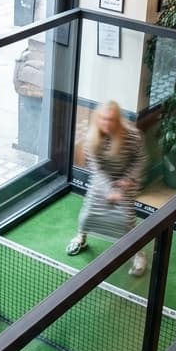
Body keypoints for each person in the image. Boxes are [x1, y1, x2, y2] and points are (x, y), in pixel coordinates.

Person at [66, 100, 148, 277]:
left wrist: (127, 180)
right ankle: (81, 237)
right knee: (87, 214)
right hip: (103, 181)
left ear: (117, 120)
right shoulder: (91, 139)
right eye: (103, 119)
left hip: (126, 181)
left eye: (111, 119)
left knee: (127, 221)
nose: (106, 123)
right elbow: (97, 169)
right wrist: (109, 190)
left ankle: (139, 254)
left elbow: (139, 160)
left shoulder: (132, 136)